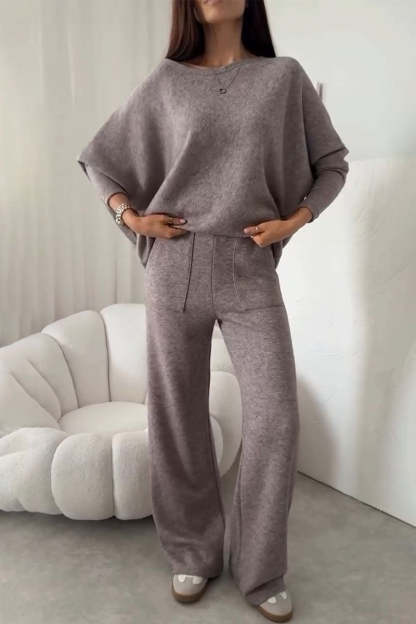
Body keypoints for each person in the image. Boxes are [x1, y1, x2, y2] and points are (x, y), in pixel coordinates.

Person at [76, 0, 349, 621]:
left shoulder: (282, 78)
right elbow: (100, 158)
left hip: (249, 264)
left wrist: (293, 220)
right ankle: (192, 552)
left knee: (276, 419)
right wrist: (131, 217)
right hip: (174, 264)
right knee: (178, 417)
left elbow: (332, 165)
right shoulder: (166, 81)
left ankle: (261, 568)